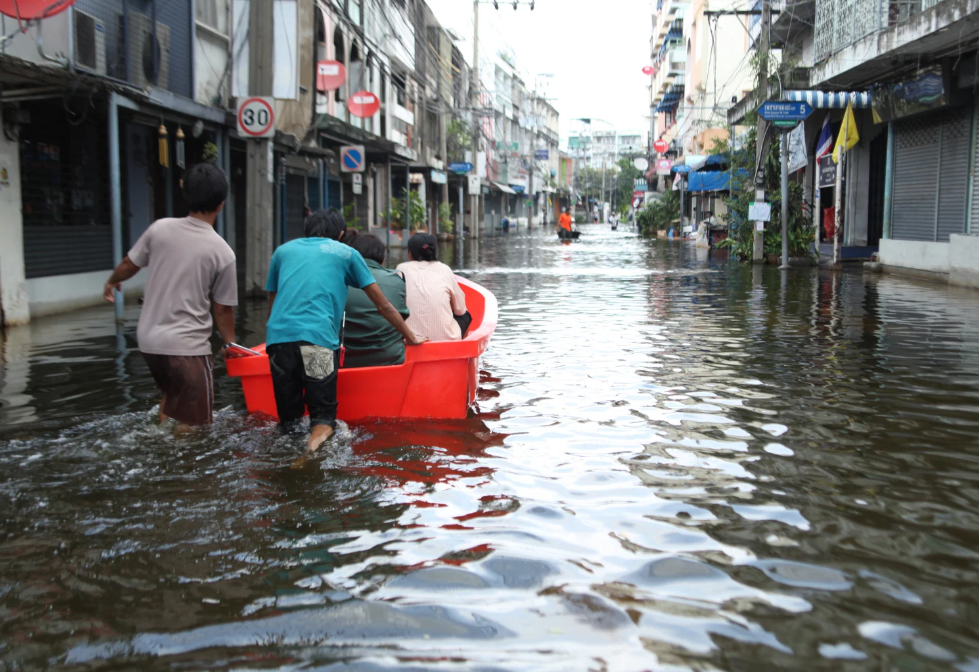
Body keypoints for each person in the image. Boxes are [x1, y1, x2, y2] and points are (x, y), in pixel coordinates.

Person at [265, 209, 426, 455]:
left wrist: (276, 340)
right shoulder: (346, 253)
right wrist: (411, 336)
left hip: (279, 343)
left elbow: (273, 303)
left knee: (289, 422)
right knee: (322, 419)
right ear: (340, 234)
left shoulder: (282, 252)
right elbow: (382, 304)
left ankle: (286, 458)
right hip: (317, 344)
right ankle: (309, 453)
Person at [103, 163, 236, 428]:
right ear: (221, 204)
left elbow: (130, 263)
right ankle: (174, 461)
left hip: (149, 342)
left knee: (173, 395)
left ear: (185, 195)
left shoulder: (159, 229)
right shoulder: (223, 252)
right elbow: (222, 310)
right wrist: (231, 346)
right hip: (187, 348)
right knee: (196, 424)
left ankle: (161, 443)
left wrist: (112, 281)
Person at [343, 234, 410, 368]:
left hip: (345, 360)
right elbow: (402, 318)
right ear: (383, 259)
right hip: (390, 359)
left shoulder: (339, 280)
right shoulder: (396, 280)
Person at [397, 233, 468, 341]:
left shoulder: (401, 269)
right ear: (435, 252)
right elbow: (460, 310)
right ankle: (460, 345)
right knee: (466, 315)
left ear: (409, 254)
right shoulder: (444, 269)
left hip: (410, 340)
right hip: (447, 342)